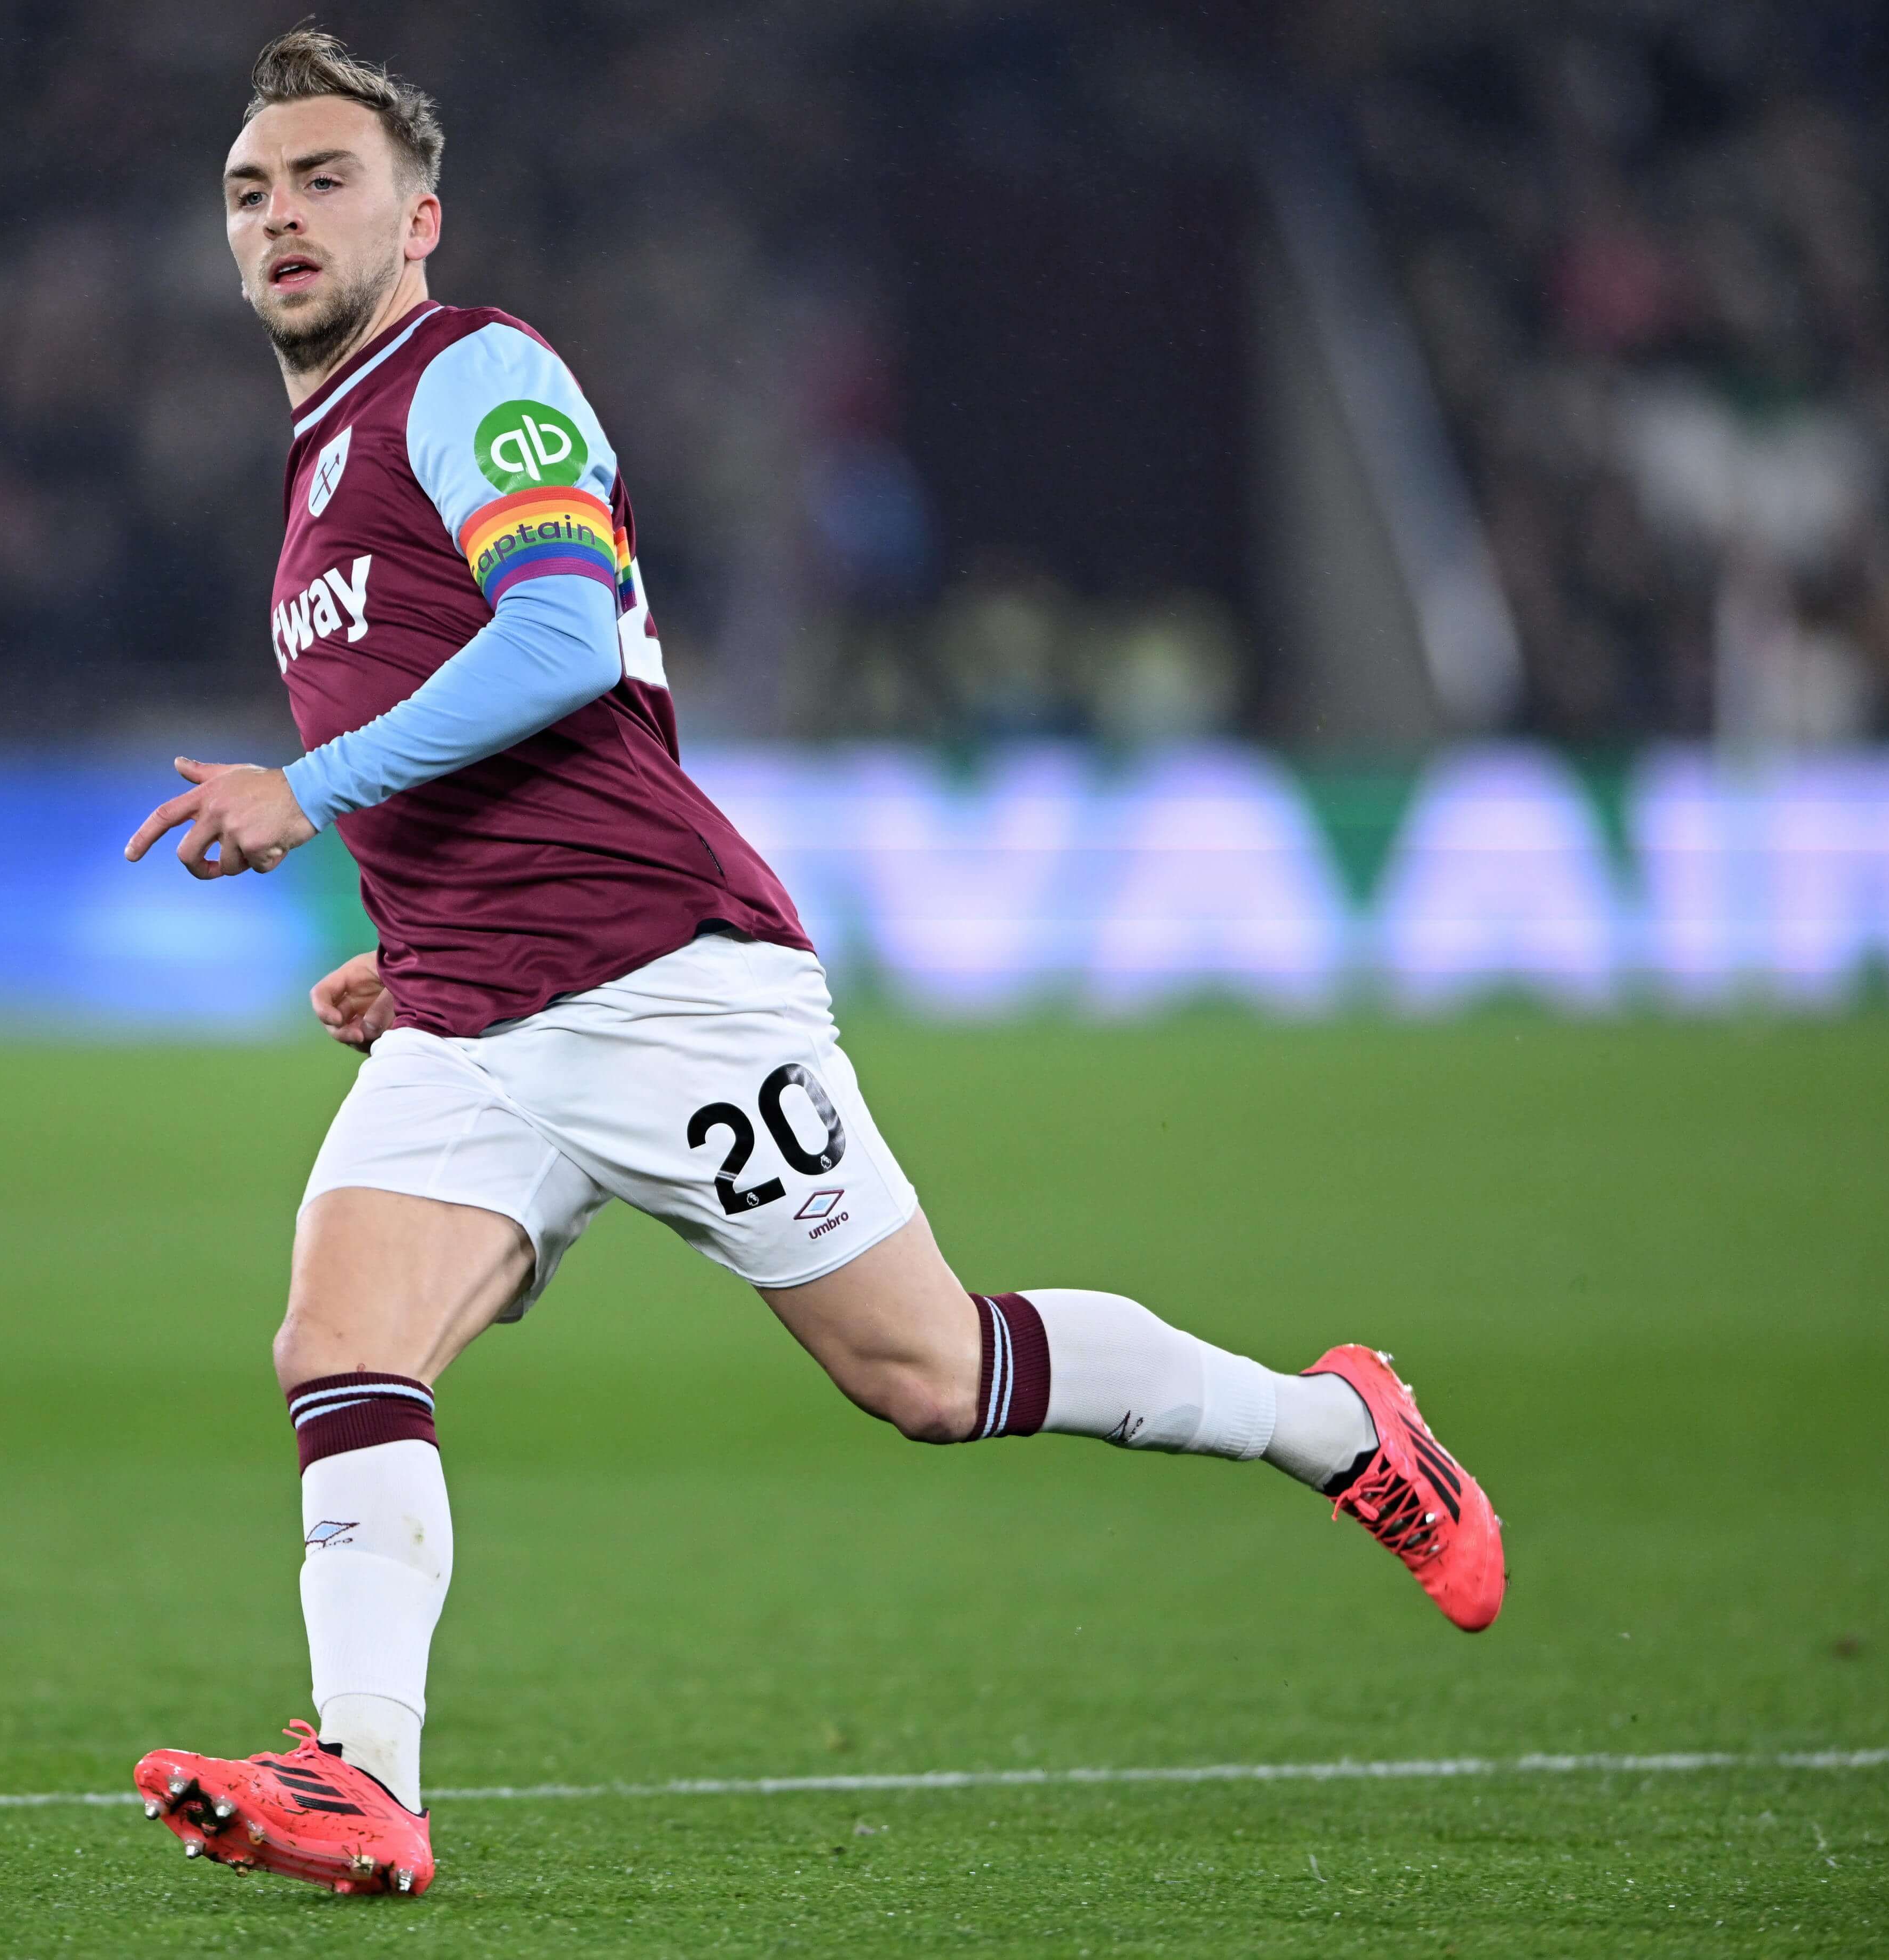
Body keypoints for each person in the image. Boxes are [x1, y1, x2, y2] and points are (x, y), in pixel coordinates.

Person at [124, 31, 1504, 1899]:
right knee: (340, 1343)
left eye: (324, 180)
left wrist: (310, 790)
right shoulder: (313, 468)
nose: (282, 217)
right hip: (472, 999)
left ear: (419, 216)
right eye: (250, 190)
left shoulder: (475, 375)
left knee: (929, 1373)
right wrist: (407, 929)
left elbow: (559, 647)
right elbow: (551, 711)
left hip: (655, 979)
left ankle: (1338, 1427)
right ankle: (366, 1779)